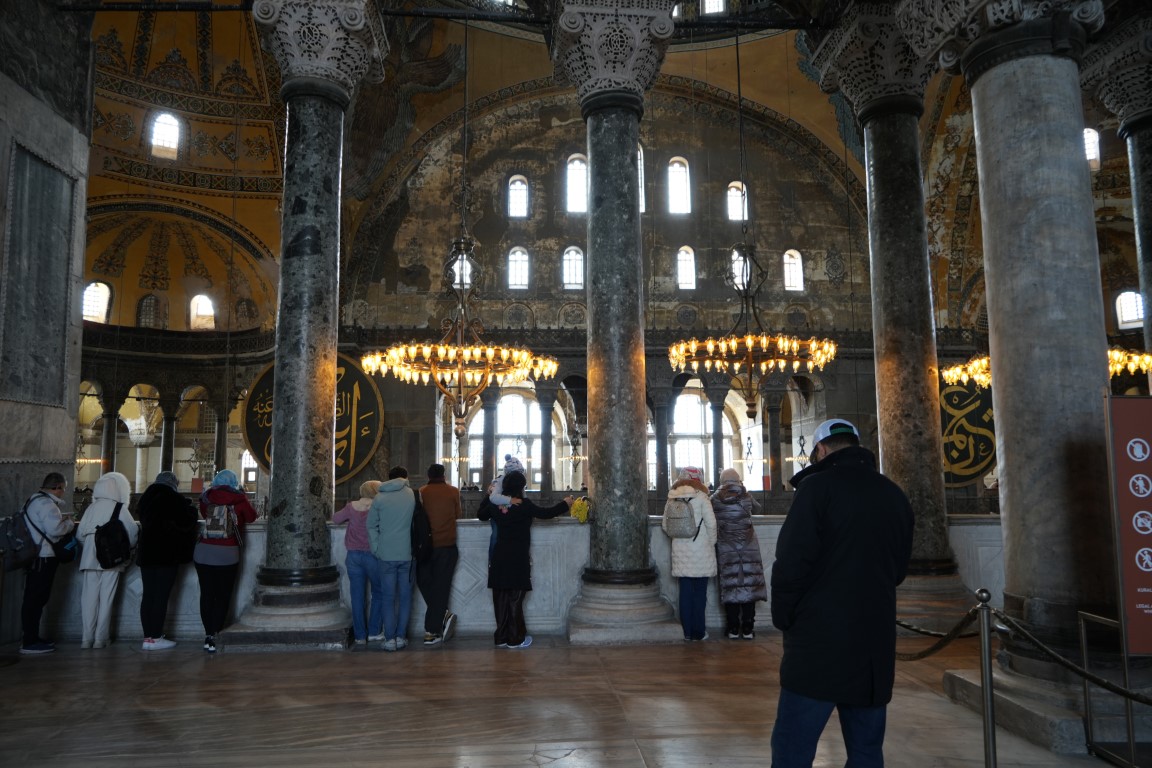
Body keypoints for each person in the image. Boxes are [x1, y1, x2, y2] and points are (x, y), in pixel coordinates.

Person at [770, 418, 914, 768]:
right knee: (866, 750)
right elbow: (897, 571)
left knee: (793, 748)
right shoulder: (893, 493)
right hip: (872, 644)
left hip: (818, 642)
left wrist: (786, 618)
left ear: (819, 450)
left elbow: (791, 562)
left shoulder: (817, 490)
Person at [476, 461, 573, 649]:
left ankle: (501, 637)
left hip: (499, 556)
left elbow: (481, 515)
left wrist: (489, 496)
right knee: (515, 598)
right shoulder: (524, 505)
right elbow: (546, 513)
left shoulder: (496, 506)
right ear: (522, 487)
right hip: (518, 556)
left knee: (501, 597)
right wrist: (565, 504)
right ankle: (516, 638)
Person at [194, 469, 258, 653]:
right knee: (222, 596)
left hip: (203, 551)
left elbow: (203, 513)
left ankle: (207, 635)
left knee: (207, 594)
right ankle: (216, 634)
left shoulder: (206, 497)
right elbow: (252, 517)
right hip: (227, 553)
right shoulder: (239, 499)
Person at [136, 471, 199, 650]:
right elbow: (186, 522)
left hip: (147, 554)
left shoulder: (145, 498)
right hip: (165, 554)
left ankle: (147, 637)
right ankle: (156, 637)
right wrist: (191, 509)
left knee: (148, 595)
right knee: (161, 597)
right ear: (173, 483)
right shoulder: (173, 498)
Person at [76, 471, 138, 649]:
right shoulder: (119, 508)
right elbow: (132, 534)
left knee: (88, 599)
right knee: (106, 599)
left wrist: (89, 546)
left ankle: (86, 638)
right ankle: (100, 639)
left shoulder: (91, 508)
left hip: (89, 558)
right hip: (111, 559)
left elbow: (80, 534)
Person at [19, 472, 76, 654]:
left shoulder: (32, 501)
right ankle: (30, 641)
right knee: (36, 599)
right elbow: (55, 529)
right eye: (63, 489)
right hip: (44, 557)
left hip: (34, 556)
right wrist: (69, 523)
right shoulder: (46, 504)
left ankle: (32, 637)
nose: (63, 493)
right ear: (57, 487)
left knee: (33, 599)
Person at [662, 466, 717, 641]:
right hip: (701, 551)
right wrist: (711, 542)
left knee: (685, 592)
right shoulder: (702, 498)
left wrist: (679, 537)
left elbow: (665, 526)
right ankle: (698, 632)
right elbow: (712, 524)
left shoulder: (672, 498)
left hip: (680, 551)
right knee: (700, 592)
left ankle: (686, 632)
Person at [711, 467, 766, 640]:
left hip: (727, 548)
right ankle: (748, 628)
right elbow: (758, 509)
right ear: (738, 480)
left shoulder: (715, 498)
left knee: (731, 586)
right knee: (749, 585)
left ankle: (733, 628)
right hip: (748, 548)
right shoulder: (746, 495)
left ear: (721, 481)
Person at [368, 466, 416, 651]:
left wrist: (376, 548)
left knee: (388, 598)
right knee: (405, 598)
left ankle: (390, 640)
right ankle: (401, 637)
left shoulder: (379, 497)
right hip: (407, 553)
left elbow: (371, 525)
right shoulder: (411, 494)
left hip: (385, 554)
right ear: (405, 477)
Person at [333, 479, 384, 646]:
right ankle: (374, 632)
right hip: (373, 555)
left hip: (353, 556)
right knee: (379, 592)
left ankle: (360, 636)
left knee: (357, 596)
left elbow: (335, 519)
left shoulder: (351, 506)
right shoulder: (379, 507)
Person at [417, 463, 462, 645]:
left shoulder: (422, 491)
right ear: (444, 474)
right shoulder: (453, 491)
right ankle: (439, 619)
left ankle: (432, 630)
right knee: (441, 587)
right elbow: (457, 514)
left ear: (428, 475)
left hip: (425, 547)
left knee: (425, 582)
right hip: (447, 545)